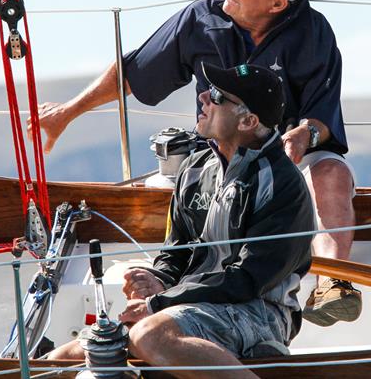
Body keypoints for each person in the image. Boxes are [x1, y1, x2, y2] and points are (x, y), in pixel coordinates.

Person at [29, 0, 362, 326]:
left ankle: (334, 284)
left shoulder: (314, 32)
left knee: (332, 173)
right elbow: (136, 72)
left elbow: (322, 117)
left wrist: (302, 137)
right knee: (195, 180)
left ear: (277, 4)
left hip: (290, 156)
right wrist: (67, 113)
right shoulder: (200, 19)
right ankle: (183, 283)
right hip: (218, 154)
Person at [47, 63, 314, 377]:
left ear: (248, 121)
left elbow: (246, 281)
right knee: (63, 359)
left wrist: (159, 303)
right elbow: (176, 252)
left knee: (148, 334)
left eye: (216, 95)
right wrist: (157, 280)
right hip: (191, 302)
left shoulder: (283, 185)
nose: (202, 97)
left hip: (260, 312)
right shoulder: (195, 169)